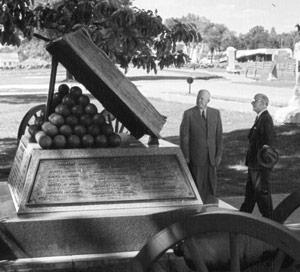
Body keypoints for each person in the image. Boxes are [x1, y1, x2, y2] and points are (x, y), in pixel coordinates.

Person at [180, 89, 223, 204]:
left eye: (203, 99)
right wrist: (186, 156)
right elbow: (184, 137)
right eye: (199, 98)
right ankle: (198, 208)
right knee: (198, 186)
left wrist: (219, 155)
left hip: (211, 158)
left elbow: (219, 136)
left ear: (208, 100)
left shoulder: (215, 113)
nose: (200, 100)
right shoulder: (189, 114)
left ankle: (212, 208)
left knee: (211, 186)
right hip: (196, 157)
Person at [240, 93, 276, 219]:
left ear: (263, 103)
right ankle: (242, 219)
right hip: (255, 165)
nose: (252, 103)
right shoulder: (260, 118)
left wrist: (262, 164)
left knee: (260, 195)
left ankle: (271, 222)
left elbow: (269, 143)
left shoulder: (266, 119)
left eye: (254, 101)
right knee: (251, 195)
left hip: (259, 167)